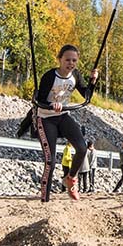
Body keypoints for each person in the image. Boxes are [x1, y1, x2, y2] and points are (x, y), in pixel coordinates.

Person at [33, 44, 99, 203]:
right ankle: (45, 200)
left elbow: (87, 96)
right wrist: (51, 105)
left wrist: (93, 81)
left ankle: (70, 178)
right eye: (67, 60)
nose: (71, 63)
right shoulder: (50, 76)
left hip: (63, 115)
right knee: (51, 161)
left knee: (82, 148)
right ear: (60, 59)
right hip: (46, 117)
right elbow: (39, 100)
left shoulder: (75, 75)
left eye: (74, 60)